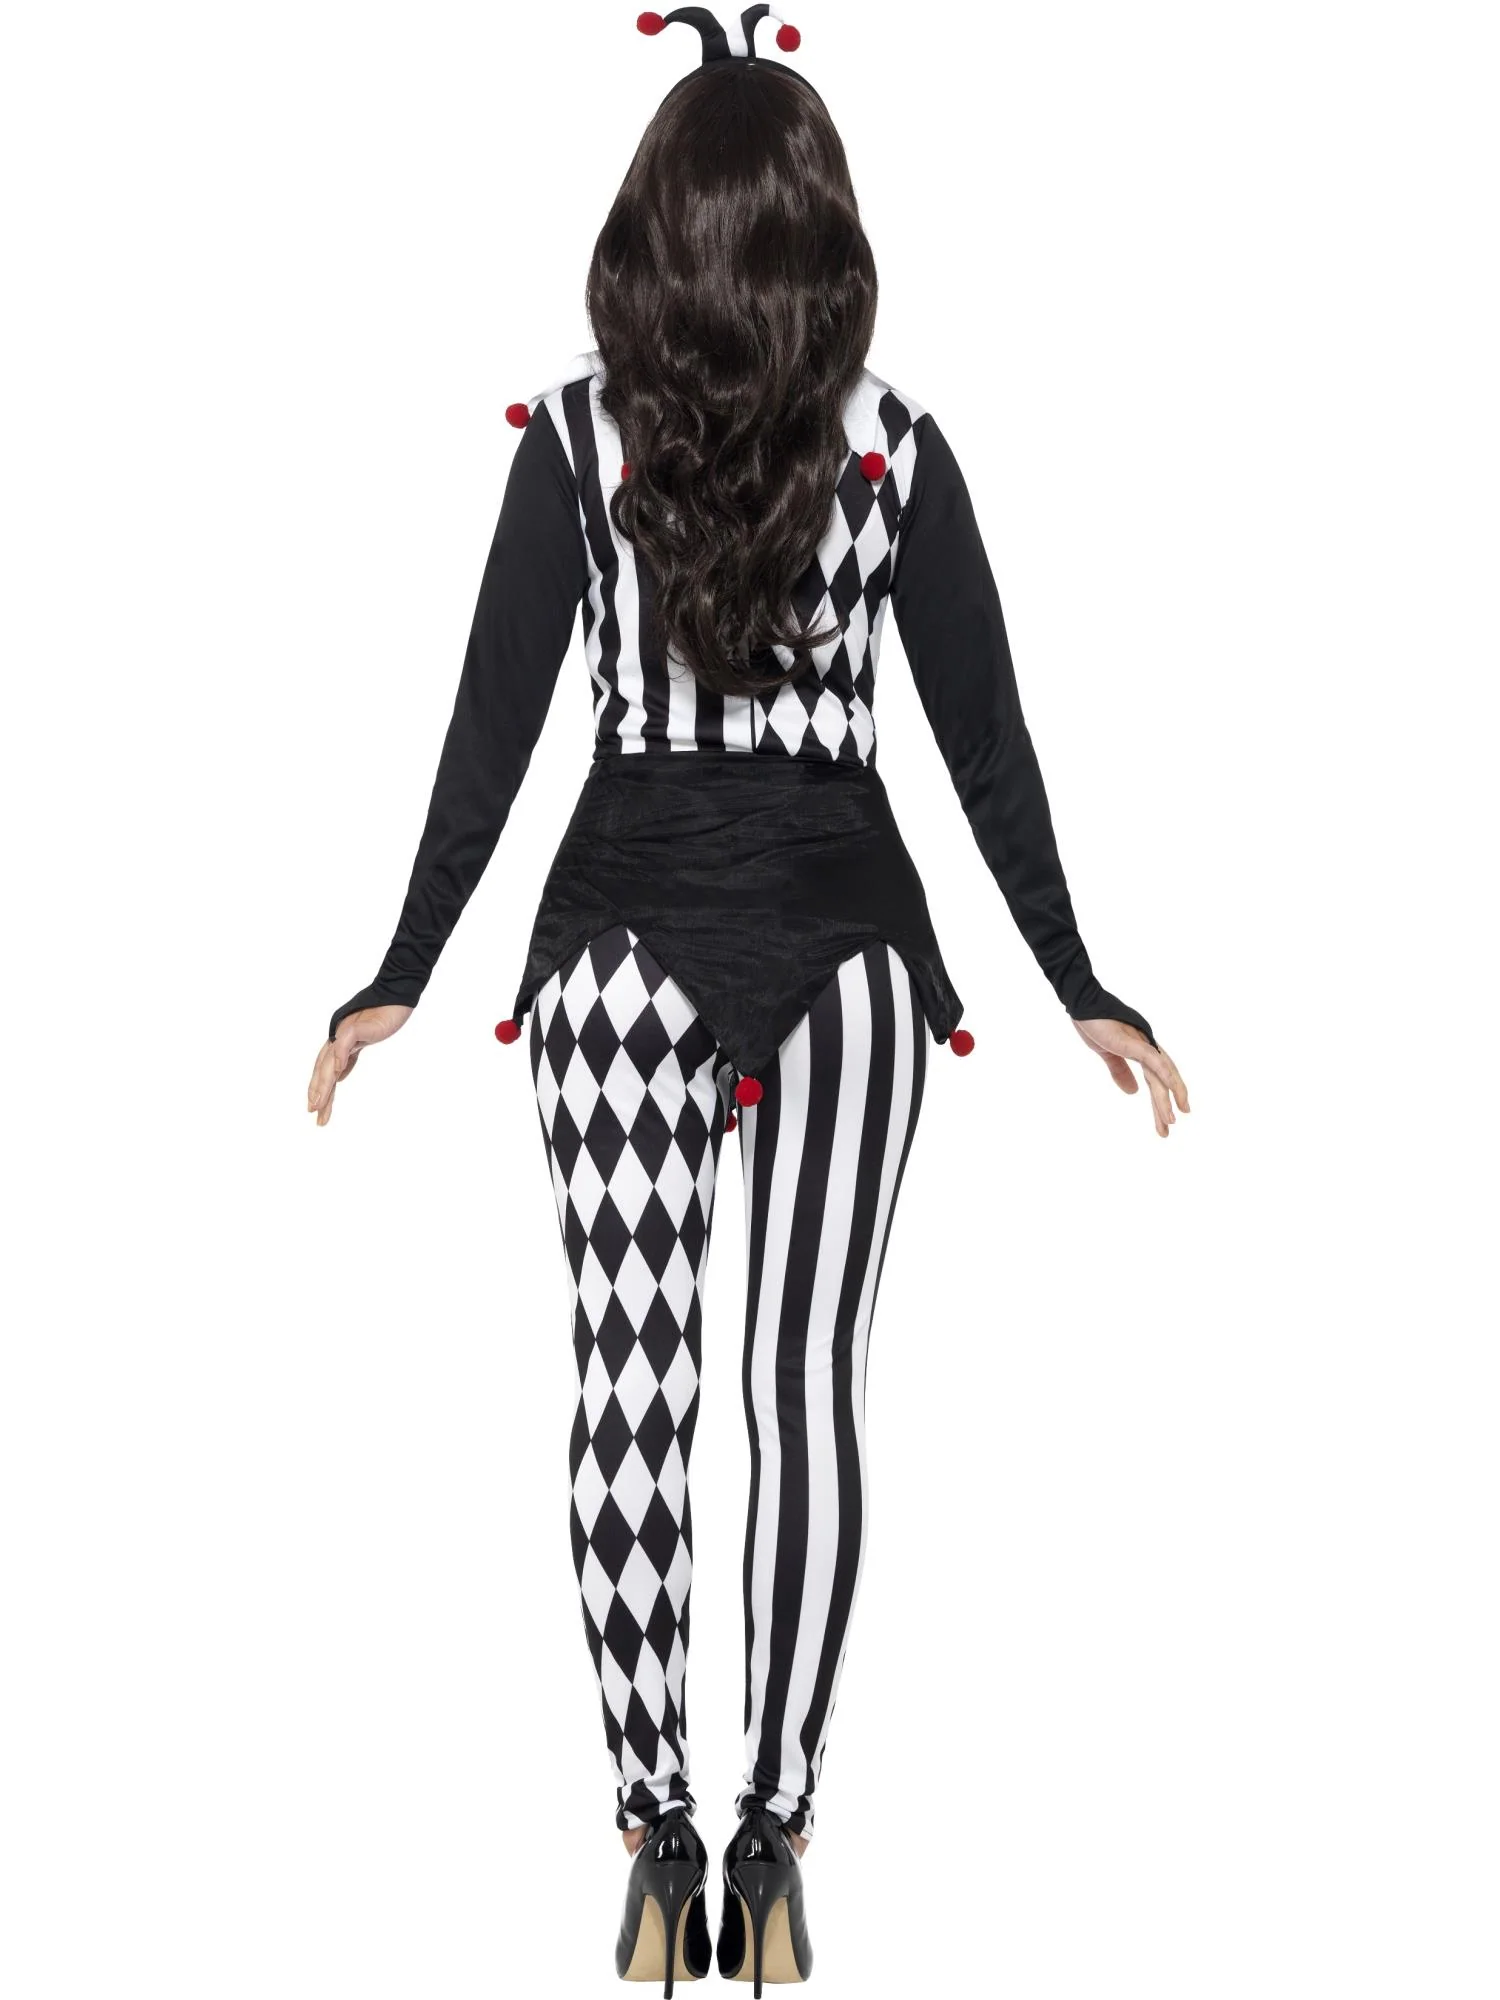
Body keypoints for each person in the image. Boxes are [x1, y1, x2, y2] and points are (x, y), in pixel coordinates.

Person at [307, 6, 1190, 1990]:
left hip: (614, 948)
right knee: (803, 1393)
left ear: (650, 225)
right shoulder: (895, 446)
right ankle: (773, 1838)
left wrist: (405, 969)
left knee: (632, 1388)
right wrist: (1074, 977)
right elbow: (985, 743)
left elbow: (492, 733)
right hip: (848, 958)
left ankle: (659, 1836)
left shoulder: (575, 438)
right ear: (821, 230)